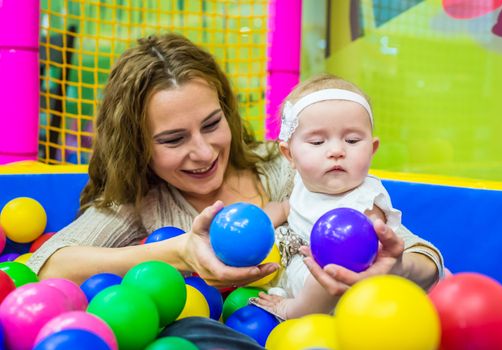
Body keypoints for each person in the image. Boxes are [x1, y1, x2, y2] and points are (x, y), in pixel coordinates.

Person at [25, 33, 440, 348]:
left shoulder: (291, 166)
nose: (203, 152)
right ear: (139, 148)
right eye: (173, 140)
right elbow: (47, 266)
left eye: (211, 124)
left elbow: (416, 250)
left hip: (329, 333)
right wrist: (181, 251)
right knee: (191, 331)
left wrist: (398, 268)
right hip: (232, 334)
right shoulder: (144, 199)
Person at [253, 74, 444, 320]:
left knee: (333, 265)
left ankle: (291, 310)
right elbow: (285, 207)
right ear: (289, 155)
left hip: (336, 292)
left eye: (352, 140)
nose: (336, 151)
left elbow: (345, 267)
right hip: (298, 271)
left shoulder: (364, 204)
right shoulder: (304, 182)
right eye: (318, 141)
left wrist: (293, 308)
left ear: (372, 149)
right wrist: (259, 224)